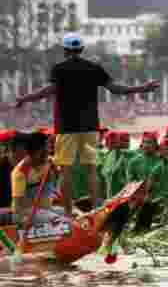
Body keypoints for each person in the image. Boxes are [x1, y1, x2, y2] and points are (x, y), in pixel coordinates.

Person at [12, 32, 159, 215]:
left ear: (65, 50)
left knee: (66, 171)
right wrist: (142, 88)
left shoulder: (59, 68)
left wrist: (25, 98)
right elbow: (115, 89)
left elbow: (48, 91)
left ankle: (67, 213)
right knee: (91, 169)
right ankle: (96, 211)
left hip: (66, 127)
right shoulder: (94, 68)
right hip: (90, 127)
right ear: (81, 49)